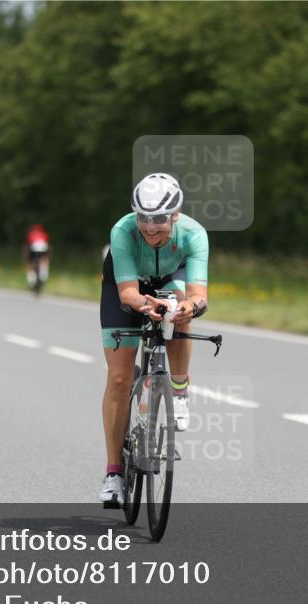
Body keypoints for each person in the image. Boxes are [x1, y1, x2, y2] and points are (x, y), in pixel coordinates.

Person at [98, 173, 209, 506]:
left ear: (175, 215)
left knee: (180, 311)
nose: (150, 227)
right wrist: (148, 304)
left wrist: (186, 307)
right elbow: (129, 293)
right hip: (127, 285)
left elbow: (198, 294)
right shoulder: (123, 231)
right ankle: (115, 474)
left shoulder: (194, 235)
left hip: (170, 278)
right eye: (143, 217)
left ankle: (178, 388)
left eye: (159, 219)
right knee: (118, 377)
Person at [24, 223, 51, 291]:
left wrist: (26, 256)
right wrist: (48, 257)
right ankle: (44, 275)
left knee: (30, 264)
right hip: (44, 248)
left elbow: (27, 246)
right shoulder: (44, 234)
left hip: (33, 248)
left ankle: (31, 280)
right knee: (44, 261)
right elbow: (48, 245)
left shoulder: (31, 234)